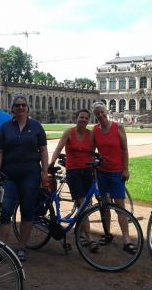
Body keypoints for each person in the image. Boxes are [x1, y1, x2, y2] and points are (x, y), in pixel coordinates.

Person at [0, 95, 48, 262]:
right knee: (5, 211)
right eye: (17, 105)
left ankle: (22, 247)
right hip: (9, 175)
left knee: (27, 211)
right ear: (13, 109)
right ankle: (1, 247)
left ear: (27, 108)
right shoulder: (5, 127)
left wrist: (44, 172)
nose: (21, 108)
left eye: (23, 105)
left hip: (30, 174)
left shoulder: (36, 126)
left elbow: (43, 151)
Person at [49, 108, 98, 252]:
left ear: (89, 120)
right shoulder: (69, 132)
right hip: (74, 172)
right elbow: (58, 149)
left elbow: (93, 154)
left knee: (84, 204)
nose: (83, 119)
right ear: (76, 118)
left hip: (87, 171)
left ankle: (80, 232)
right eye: (81, 117)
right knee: (82, 203)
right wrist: (51, 164)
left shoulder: (91, 135)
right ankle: (89, 238)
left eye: (86, 118)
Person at [91, 101, 135, 254]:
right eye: (97, 114)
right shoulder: (95, 130)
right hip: (101, 172)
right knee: (104, 205)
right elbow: (91, 151)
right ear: (95, 116)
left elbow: (125, 150)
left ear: (106, 112)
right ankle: (107, 233)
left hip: (116, 172)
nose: (100, 116)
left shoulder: (118, 127)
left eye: (102, 112)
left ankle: (127, 239)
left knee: (120, 206)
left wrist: (125, 169)